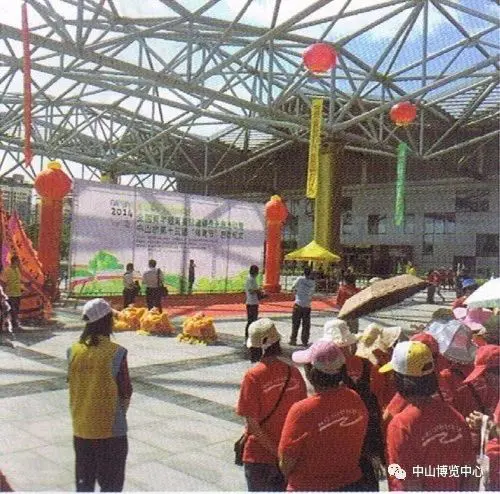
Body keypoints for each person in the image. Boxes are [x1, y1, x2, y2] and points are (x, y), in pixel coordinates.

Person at [381, 340, 477, 491]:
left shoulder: (401, 425)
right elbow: (471, 473)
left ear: (400, 379)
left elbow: (409, 483)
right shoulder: (455, 416)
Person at [278, 340, 368, 491]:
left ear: (310, 372)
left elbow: (285, 463)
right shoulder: (354, 398)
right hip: (350, 484)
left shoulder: (302, 411)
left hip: (309, 487)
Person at [67, 298, 132, 492]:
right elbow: (126, 391)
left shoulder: (72, 351)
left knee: (84, 483)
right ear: (107, 321)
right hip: (110, 431)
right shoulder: (117, 352)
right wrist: (120, 413)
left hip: (81, 428)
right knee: (111, 485)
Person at [236, 318, 307, 492]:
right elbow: (302, 415)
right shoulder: (293, 372)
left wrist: (276, 452)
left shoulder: (253, 376)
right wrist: (284, 455)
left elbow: (252, 424)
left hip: (259, 456)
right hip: (288, 455)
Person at [289, 266, 315, 346]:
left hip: (298, 304)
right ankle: (305, 341)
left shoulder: (300, 279)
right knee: (306, 325)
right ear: (310, 274)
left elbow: (293, 287)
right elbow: (312, 293)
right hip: (307, 306)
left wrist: (296, 293)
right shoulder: (313, 282)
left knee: (295, 323)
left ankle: (293, 340)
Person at [1, 256, 22, 331]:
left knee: (16, 309)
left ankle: (14, 324)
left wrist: (26, 284)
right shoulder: (7, 270)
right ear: (14, 261)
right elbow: (3, 282)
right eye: (18, 261)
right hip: (10, 293)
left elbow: (18, 280)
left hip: (17, 293)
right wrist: (3, 293)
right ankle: (14, 325)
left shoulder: (17, 269)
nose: (19, 263)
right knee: (12, 310)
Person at [244, 265, 262, 342]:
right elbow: (251, 291)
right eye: (257, 272)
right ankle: (248, 336)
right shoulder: (250, 279)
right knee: (251, 321)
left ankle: (250, 336)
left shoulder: (252, 279)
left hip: (253, 302)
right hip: (251, 303)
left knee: (252, 320)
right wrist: (258, 291)